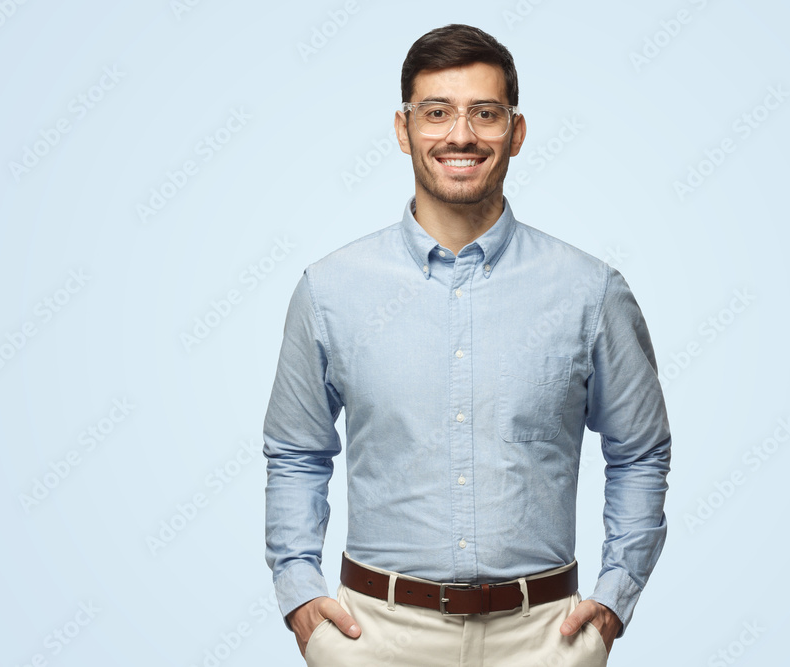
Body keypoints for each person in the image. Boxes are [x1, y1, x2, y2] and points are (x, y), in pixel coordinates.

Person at [263, 23, 671, 666]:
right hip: (371, 640)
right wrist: (298, 593)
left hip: (545, 641)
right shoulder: (330, 290)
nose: (460, 134)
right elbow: (295, 450)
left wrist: (615, 600)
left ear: (516, 131)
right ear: (403, 130)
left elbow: (641, 450)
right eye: (436, 113)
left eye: (485, 113)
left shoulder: (589, 291)